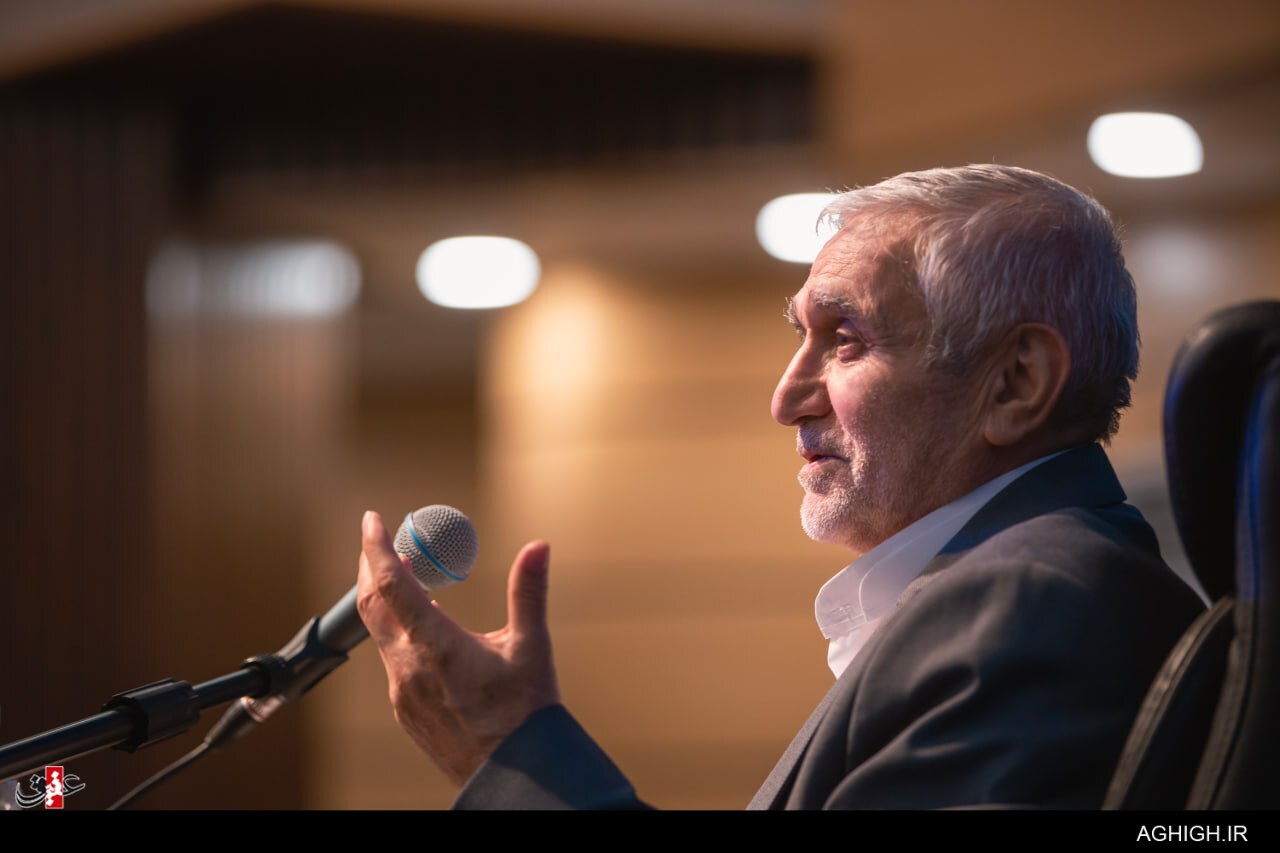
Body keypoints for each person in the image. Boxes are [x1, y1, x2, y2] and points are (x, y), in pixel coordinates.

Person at [355, 164, 1203, 809]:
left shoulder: (1026, 609)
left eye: (845, 339)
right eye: (801, 334)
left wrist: (510, 758)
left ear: (1016, 383)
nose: (786, 397)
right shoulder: (1044, 590)